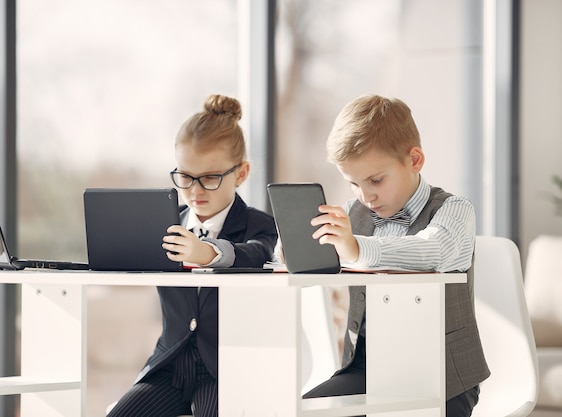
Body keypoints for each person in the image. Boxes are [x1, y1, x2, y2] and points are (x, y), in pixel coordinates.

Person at [304, 94, 490, 416]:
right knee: (305, 411)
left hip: (440, 375)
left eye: (376, 180)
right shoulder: (353, 214)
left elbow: (432, 252)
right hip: (364, 369)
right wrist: (297, 247)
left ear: (414, 160)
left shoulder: (454, 210)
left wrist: (357, 249)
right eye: (353, 183)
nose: (366, 195)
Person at [107, 94, 278, 417]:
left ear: (241, 174)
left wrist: (209, 253)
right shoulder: (165, 224)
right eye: (185, 177)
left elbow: (256, 255)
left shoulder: (260, 225)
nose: (195, 190)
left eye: (210, 178)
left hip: (227, 370)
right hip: (169, 367)